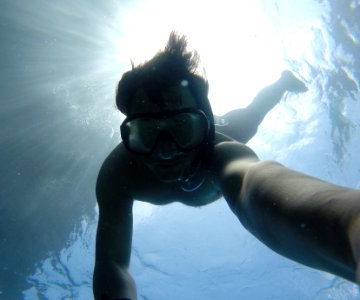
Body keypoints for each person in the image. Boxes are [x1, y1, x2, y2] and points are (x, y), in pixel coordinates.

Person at [93, 32, 360, 300]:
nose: (165, 151)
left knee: (253, 113)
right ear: (129, 134)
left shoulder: (223, 151)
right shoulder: (117, 175)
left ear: (204, 124)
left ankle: (282, 82)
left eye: (183, 128)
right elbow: (111, 264)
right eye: (146, 132)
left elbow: (251, 181)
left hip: (228, 126)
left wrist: (350, 226)